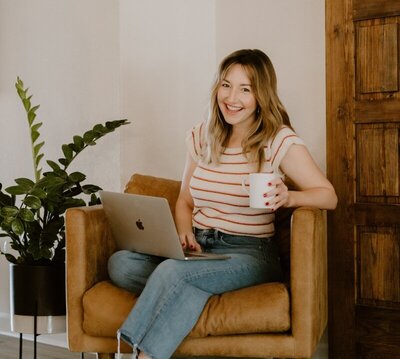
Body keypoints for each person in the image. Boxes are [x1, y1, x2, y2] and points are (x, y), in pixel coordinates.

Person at [108, 49, 337, 359]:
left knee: (173, 275)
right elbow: (185, 200)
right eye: (226, 85)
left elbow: (328, 195)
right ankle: (194, 289)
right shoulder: (202, 137)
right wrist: (185, 233)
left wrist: (290, 197)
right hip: (201, 250)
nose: (232, 97)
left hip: (249, 252)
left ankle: (138, 354)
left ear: (261, 96)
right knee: (122, 264)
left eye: (246, 89)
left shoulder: (277, 140)